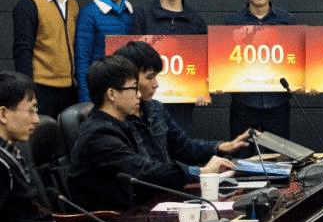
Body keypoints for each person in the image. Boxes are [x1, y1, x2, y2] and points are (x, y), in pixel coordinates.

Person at [68, 56, 233, 210]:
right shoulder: (99, 135)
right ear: (112, 94)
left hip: (136, 211)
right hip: (111, 221)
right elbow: (144, 171)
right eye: (133, 88)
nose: (139, 95)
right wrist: (200, 172)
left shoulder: (117, 125)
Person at [112, 41, 250, 168]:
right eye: (149, 77)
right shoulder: (113, 121)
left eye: (156, 76)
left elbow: (184, 147)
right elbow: (143, 171)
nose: (156, 84)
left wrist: (222, 147)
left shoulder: (156, 109)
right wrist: (198, 173)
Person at [132, 0, 209, 128]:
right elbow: (133, 59)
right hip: (147, 101)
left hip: (183, 103)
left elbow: (205, 61)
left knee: (180, 142)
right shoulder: (142, 15)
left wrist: (205, 90)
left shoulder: (196, 20)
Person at [0, 72, 76, 222]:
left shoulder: (10, 152)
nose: (36, 120)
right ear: (3, 114)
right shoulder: (1, 163)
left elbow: (23, 214)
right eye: (31, 110)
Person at [224, 0, 296, 141]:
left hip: (277, 102)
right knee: (242, 152)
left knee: (280, 154)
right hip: (244, 102)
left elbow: (294, 58)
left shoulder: (287, 21)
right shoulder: (232, 22)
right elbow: (225, 61)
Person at [12, 0, 80, 118]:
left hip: (69, 90)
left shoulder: (73, 5)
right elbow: (22, 51)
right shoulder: (29, 4)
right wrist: (28, 93)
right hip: (40, 89)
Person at [74, 0, 134, 101]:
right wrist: (86, 99)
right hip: (99, 89)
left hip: (125, 89)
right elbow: (82, 60)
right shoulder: (89, 13)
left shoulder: (131, 13)